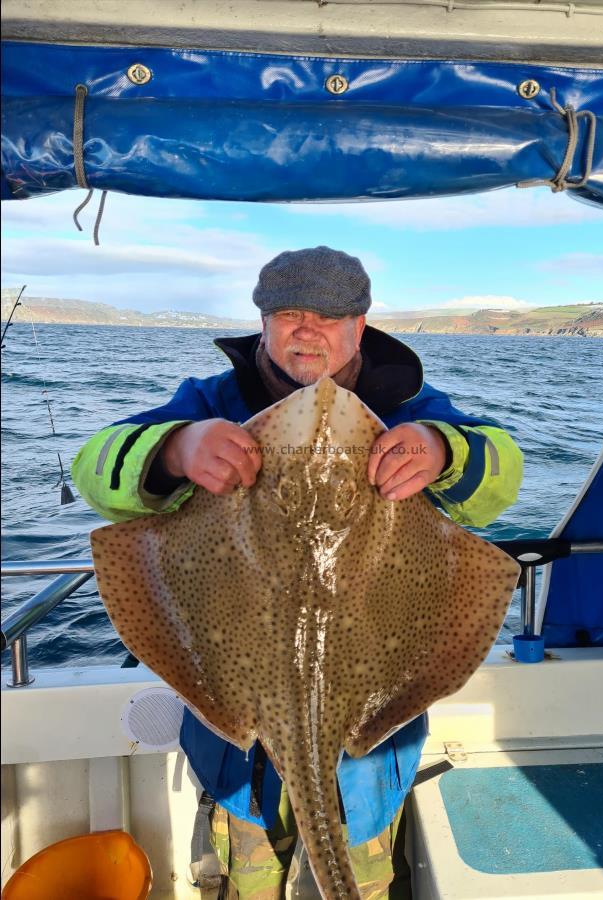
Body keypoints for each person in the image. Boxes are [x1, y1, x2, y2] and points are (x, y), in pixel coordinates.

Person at [72, 246, 523, 899]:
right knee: (251, 878)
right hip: (239, 755)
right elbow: (94, 467)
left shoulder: (414, 408)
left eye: (329, 316)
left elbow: (500, 477)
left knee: (359, 876)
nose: (307, 329)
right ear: (263, 323)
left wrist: (443, 450)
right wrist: (173, 448)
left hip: (369, 757)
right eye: (288, 314)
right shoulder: (209, 402)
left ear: (358, 327)